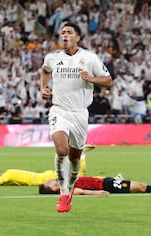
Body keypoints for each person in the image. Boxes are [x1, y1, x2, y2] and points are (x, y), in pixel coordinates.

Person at [40, 22, 113, 212]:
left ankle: (70, 189)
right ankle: (63, 192)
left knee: (74, 158)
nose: (64, 35)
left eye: (69, 33)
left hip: (80, 113)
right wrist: (43, 88)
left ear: (77, 37)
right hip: (59, 110)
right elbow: (45, 70)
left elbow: (108, 80)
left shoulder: (89, 58)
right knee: (61, 149)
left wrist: (91, 79)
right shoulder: (53, 57)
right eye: (63, 32)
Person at [0, 144, 95, 186]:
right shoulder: (12, 179)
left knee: (77, 178)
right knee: (76, 177)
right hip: (43, 175)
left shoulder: (8, 173)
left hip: (44, 179)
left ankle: (82, 155)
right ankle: (81, 156)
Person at [39, 175, 151, 195]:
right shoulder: (66, 190)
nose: (51, 180)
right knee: (141, 187)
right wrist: (97, 193)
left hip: (107, 181)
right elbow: (80, 191)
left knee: (140, 185)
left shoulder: (66, 180)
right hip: (107, 186)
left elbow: (90, 179)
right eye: (50, 183)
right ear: (52, 190)